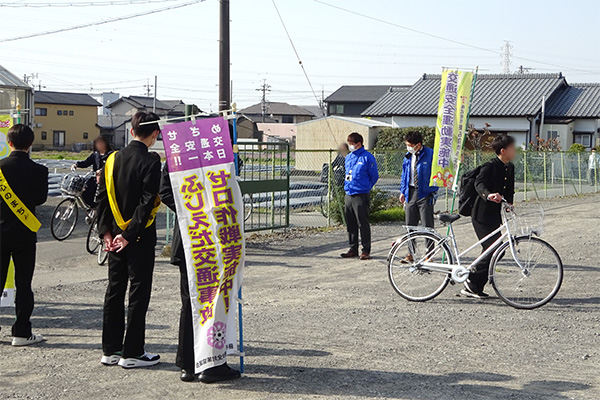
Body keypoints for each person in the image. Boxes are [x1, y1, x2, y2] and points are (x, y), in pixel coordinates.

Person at [160, 165, 241, 383]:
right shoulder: (189, 152)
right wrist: (192, 212)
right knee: (200, 304)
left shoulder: (201, 150)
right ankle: (197, 364)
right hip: (198, 241)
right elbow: (165, 189)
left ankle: (201, 364)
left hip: (210, 241)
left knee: (206, 303)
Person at [96, 111, 162, 368]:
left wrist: (107, 233)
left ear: (132, 131)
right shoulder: (151, 160)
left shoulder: (112, 160)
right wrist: (129, 234)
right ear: (154, 134)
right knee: (138, 291)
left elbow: (101, 199)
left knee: (114, 290)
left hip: (113, 238)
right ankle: (132, 352)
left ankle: (110, 350)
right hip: (139, 237)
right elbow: (147, 203)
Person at [0, 124, 48, 346]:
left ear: (9, 143)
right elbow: (40, 199)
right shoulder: (40, 170)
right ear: (30, 144)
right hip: (25, 233)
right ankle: (21, 332)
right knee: (24, 283)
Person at [462, 134, 516, 299]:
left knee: (496, 251)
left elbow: (509, 189)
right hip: (481, 213)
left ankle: (474, 285)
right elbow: (479, 184)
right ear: (503, 150)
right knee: (492, 249)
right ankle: (471, 281)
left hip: (494, 214)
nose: (515, 151)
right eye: (512, 148)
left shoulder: (510, 167)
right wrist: (489, 194)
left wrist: (509, 204)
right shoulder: (490, 166)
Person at [398, 131, 438, 261]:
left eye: (410, 145)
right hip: (410, 192)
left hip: (425, 193)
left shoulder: (431, 154)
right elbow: (404, 175)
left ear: (418, 145)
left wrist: (433, 189)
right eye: (407, 145)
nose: (408, 147)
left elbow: (439, 172)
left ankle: (429, 254)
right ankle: (411, 253)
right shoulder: (408, 156)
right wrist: (403, 191)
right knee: (410, 225)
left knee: (427, 225)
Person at [340, 132, 379, 260]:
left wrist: (366, 186)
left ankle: (366, 250)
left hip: (361, 194)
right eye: (349, 143)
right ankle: (353, 248)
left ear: (359, 144)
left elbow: (374, 176)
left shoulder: (367, 157)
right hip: (349, 193)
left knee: (363, 223)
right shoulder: (349, 157)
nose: (350, 146)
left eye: (352, 144)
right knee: (350, 223)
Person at [73, 136, 113, 207]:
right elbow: (86, 162)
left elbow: (112, 166)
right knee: (85, 191)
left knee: (101, 197)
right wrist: (77, 164)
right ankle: (93, 208)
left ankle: (98, 209)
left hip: (106, 180)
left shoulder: (111, 155)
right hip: (95, 178)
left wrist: (101, 170)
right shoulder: (95, 154)